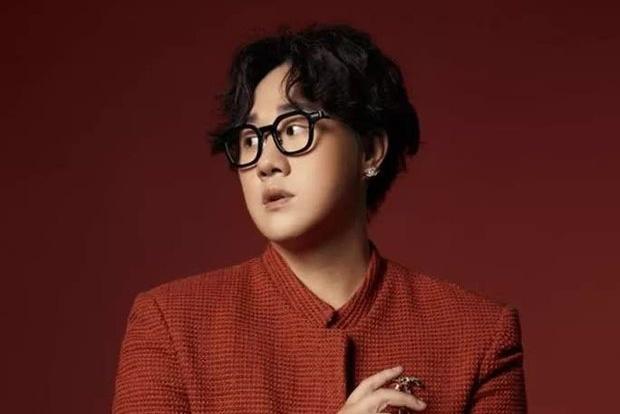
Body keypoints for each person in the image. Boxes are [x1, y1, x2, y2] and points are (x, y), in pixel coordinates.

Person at [111, 23, 527, 413]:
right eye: (251, 139)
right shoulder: (170, 323)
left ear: (370, 151)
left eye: (293, 129)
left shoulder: (479, 334)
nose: (266, 163)